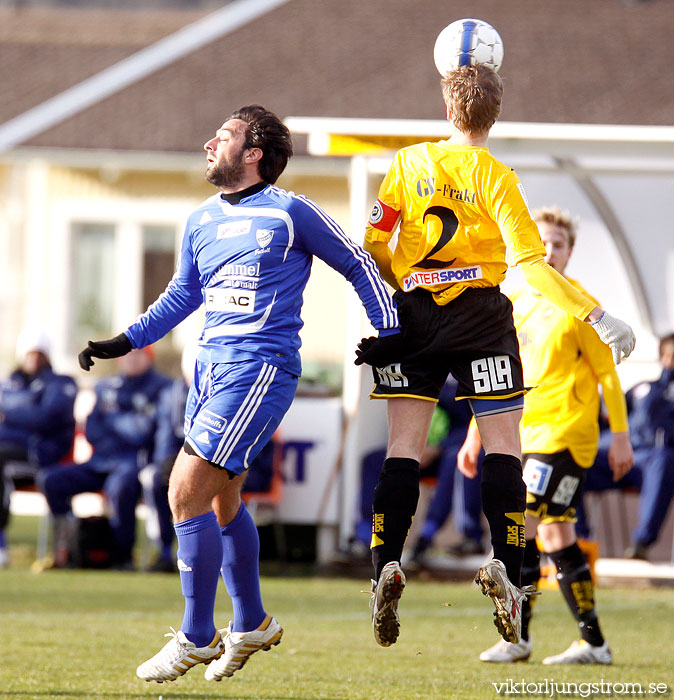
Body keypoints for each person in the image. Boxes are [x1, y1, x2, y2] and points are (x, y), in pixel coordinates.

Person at [77, 105, 399, 684]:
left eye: (222, 136)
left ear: (253, 152)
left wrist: (388, 335)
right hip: (207, 374)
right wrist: (124, 341)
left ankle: (198, 636)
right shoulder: (201, 220)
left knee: (183, 492)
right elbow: (181, 296)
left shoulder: (291, 212)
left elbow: (358, 264)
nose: (208, 142)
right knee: (222, 502)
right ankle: (251, 622)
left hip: (258, 370)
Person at [354, 65, 635, 648]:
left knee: (403, 448)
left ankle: (385, 560)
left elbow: (375, 247)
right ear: (494, 114)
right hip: (482, 315)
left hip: (414, 313)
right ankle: (506, 565)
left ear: (446, 107)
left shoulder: (406, 165)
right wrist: (598, 316)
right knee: (505, 446)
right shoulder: (498, 177)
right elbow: (531, 266)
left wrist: (396, 311)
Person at [457, 206, 633, 664]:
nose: (550, 251)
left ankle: (517, 637)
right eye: (544, 243)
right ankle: (593, 642)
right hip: (524, 433)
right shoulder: (514, 301)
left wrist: (620, 435)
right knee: (556, 536)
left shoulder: (580, 305)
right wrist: (476, 435)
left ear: (570, 253)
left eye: (559, 244)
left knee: (522, 525)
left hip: (565, 434)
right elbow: (499, 376)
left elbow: (607, 376)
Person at [40, 347, 170, 569]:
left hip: (134, 464)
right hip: (100, 461)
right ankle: (68, 547)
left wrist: (111, 419)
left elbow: (144, 430)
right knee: (51, 480)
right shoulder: (105, 386)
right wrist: (123, 424)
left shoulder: (162, 388)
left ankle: (122, 557)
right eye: (126, 354)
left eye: (137, 353)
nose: (130, 358)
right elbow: (91, 429)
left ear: (149, 357)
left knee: (120, 487)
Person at [579, 333, 674, 560]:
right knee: (574, 461)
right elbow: (613, 414)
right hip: (618, 454)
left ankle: (641, 543)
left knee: (663, 460)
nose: (671, 362)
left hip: (654, 460)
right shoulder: (644, 388)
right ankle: (578, 544)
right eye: (668, 356)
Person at [0, 327, 77, 568]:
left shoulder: (62, 383)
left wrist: (8, 413)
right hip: (10, 455)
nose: (34, 358)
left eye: (39, 353)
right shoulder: (9, 383)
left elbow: (46, 418)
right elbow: (35, 416)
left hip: (42, 456)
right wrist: (28, 410)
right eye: (30, 353)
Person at [411, 376, 485, 566]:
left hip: (458, 446)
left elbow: (477, 419)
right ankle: (370, 538)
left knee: (458, 461)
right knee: (376, 460)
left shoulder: (469, 370)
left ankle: (430, 536)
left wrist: (437, 447)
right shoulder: (423, 364)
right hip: (420, 446)